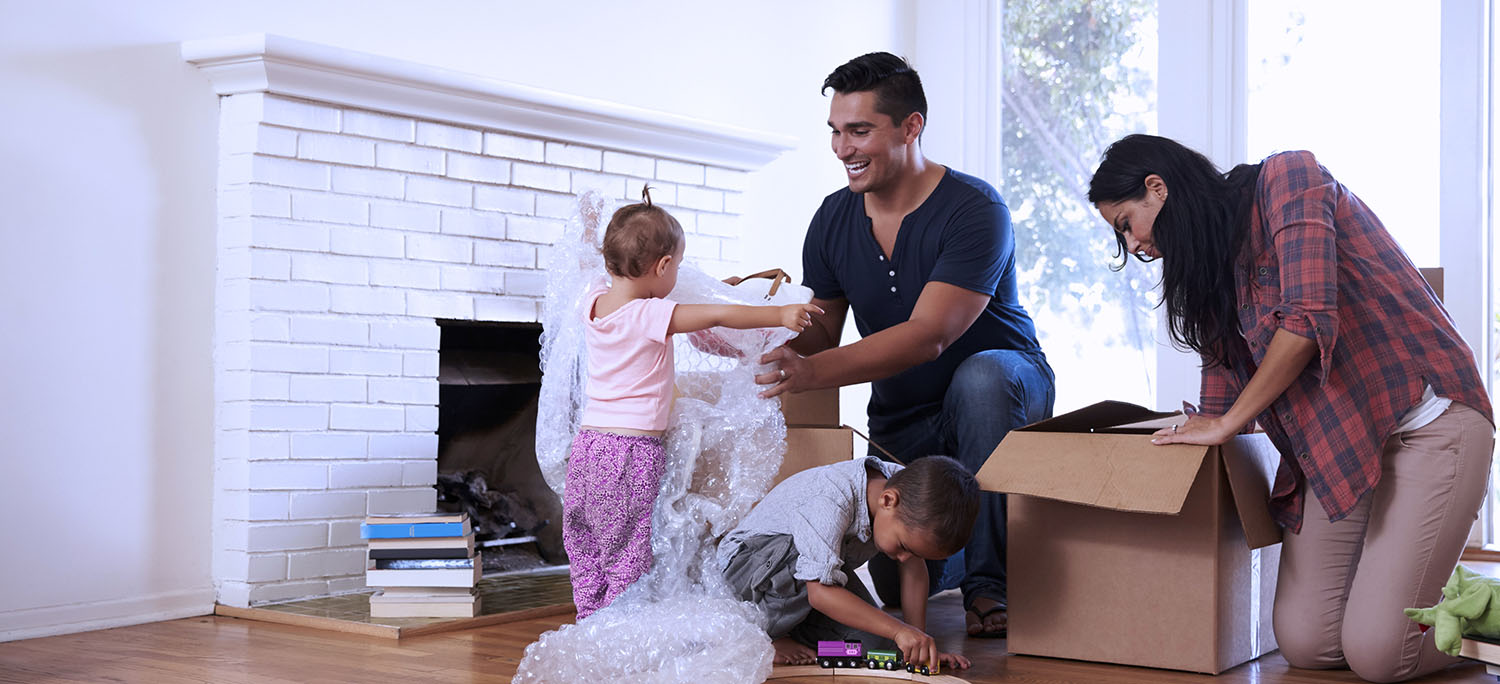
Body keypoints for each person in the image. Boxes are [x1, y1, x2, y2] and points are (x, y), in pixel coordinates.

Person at [1088, 133, 1494, 683]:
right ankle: (1417, 584)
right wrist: (1195, 437)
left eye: (1126, 225)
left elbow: (1307, 322)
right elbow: (1219, 397)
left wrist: (1229, 423)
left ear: (1156, 190)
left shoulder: (1288, 179)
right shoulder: (1208, 270)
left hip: (1428, 424)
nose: (1134, 246)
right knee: (1309, 643)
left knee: (1377, 654)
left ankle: (1482, 607)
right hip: (1341, 446)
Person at [756, 51, 1054, 638]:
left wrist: (809, 373)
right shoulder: (831, 220)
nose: (843, 149)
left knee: (982, 378)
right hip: (904, 416)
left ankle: (988, 586)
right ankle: (976, 550)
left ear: (912, 126)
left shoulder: (976, 209)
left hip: (1002, 391)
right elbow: (818, 337)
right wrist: (752, 334)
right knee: (894, 572)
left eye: (860, 131)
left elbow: (929, 336)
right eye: (836, 132)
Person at [565, 188, 822, 619]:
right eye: (677, 267)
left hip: (588, 447)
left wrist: (591, 225)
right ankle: (619, 628)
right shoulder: (648, 314)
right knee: (628, 546)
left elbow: (585, 264)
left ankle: (589, 618)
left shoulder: (593, 301)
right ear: (663, 267)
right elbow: (717, 315)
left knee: (588, 540)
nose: (678, 276)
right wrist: (779, 315)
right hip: (629, 452)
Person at [717, 455, 978, 672]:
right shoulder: (830, 501)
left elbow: (914, 571)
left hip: (811, 581)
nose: (903, 558)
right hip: (750, 569)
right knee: (799, 554)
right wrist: (898, 629)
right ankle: (765, 639)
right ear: (888, 501)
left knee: (880, 647)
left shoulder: (912, 496)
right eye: (903, 547)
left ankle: (800, 635)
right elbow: (820, 594)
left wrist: (917, 644)